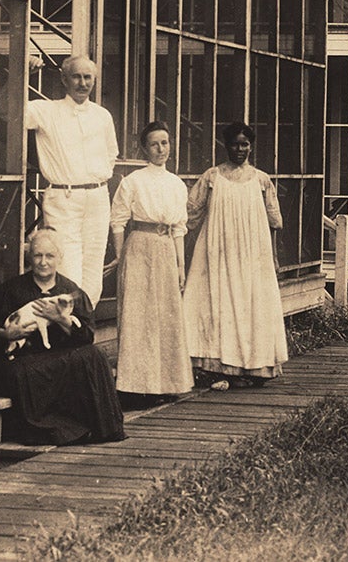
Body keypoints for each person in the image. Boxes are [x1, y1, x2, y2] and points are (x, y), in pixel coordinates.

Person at [0, 229, 124, 445]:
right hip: (25, 359)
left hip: (59, 355)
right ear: (30, 257)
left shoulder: (70, 291)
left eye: (50, 256)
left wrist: (61, 319)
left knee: (94, 355)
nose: (43, 262)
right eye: (38, 255)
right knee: (22, 372)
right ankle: (52, 431)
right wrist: (7, 333)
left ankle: (98, 428)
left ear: (59, 258)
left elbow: (86, 335)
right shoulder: (12, 289)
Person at [183, 121, 288, 384]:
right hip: (218, 253)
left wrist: (273, 257)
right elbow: (190, 214)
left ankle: (254, 367)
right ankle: (218, 367)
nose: (240, 149)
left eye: (245, 144)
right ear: (225, 145)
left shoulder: (262, 180)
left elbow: (273, 223)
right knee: (218, 304)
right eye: (234, 144)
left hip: (253, 254)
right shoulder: (212, 177)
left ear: (251, 146)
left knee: (251, 305)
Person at [25, 55, 118, 307]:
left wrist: (94, 183)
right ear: (64, 79)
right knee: (67, 268)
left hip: (97, 198)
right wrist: (22, 73)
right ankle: (65, 332)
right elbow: (7, 111)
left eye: (88, 77)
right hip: (63, 199)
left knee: (92, 271)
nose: (82, 82)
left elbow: (111, 155)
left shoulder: (102, 116)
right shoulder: (47, 110)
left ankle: (82, 330)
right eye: (76, 76)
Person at [109, 122, 193, 396]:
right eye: (155, 144)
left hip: (166, 248)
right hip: (140, 248)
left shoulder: (177, 184)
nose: (161, 149)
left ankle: (167, 384)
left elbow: (180, 228)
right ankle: (135, 385)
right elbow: (118, 221)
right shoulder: (132, 181)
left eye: (165, 143)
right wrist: (121, 256)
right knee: (138, 315)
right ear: (144, 148)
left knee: (166, 315)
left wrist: (181, 267)